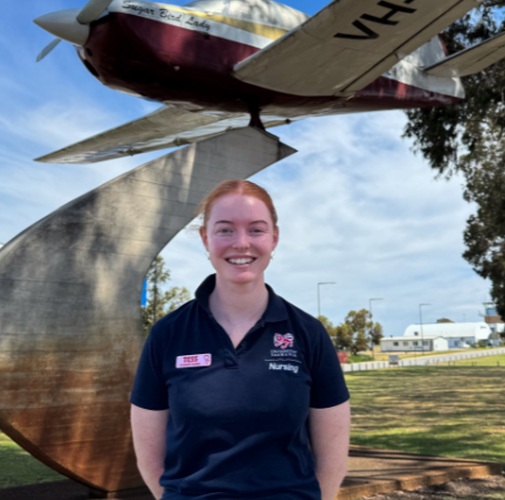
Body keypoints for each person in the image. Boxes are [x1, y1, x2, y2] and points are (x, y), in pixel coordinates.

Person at [130, 180, 350, 500]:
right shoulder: (168, 333)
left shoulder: (308, 333)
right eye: (225, 230)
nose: (241, 243)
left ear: (274, 238)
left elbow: (333, 464)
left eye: (256, 229)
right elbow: (149, 459)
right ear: (206, 238)